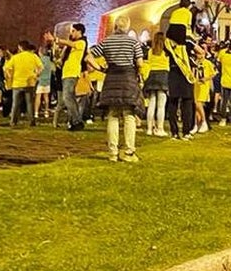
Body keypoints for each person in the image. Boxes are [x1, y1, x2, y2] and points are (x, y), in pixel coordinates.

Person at [89, 13, 144, 162]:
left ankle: (112, 152)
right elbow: (140, 63)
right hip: (128, 78)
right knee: (129, 115)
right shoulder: (133, 42)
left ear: (115, 27)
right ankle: (129, 152)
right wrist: (139, 76)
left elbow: (88, 56)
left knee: (113, 114)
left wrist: (101, 68)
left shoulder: (106, 41)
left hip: (112, 77)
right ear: (127, 27)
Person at [54, 24, 89, 132]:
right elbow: (65, 54)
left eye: (73, 31)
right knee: (70, 98)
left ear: (79, 31)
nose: (71, 33)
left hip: (72, 73)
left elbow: (72, 44)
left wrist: (58, 40)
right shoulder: (71, 46)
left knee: (67, 97)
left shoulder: (81, 42)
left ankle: (77, 121)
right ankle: (74, 122)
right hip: (66, 73)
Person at [5, 40, 43, 127]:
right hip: (29, 83)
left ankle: (13, 121)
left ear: (20, 47)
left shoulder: (15, 57)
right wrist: (36, 75)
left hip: (17, 83)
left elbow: (7, 68)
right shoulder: (33, 56)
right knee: (29, 103)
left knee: (15, 103)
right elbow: (41, 67)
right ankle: (32, 121)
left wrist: (10, 76)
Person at [142, 31, 170, 136]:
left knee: (151, 104)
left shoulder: (150, 51)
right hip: (163, 76)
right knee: (161, 105)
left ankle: (149, 129)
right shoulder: (166, 52)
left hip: (151, 76)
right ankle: (160, 128)